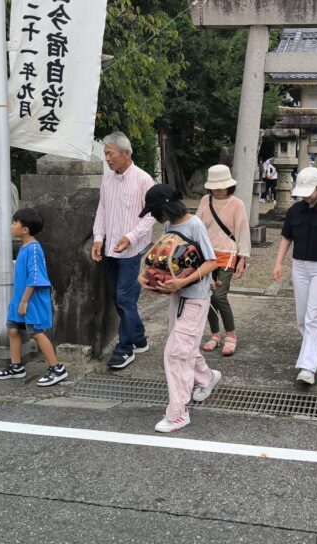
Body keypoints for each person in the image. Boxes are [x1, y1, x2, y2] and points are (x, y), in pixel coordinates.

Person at [138, 184, 222, 433]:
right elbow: (165, 261)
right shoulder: (170, 225)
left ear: (165, 207)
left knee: (176, 353)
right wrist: (145, 277)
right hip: (178, 297)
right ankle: (208, 378)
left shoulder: (194, 225)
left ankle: (178, 413)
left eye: (154, 211)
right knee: (184, 347)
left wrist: (182, 282)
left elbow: (211, 262)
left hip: (195, 298)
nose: (154, 216)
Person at [92, 131, 155, 370]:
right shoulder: (107, 178)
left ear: (125, 153)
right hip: (110, 248)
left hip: (134, 250)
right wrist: (99, 238)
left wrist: (130, 237)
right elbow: (102, 209)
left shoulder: (143, 179)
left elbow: (151, 216)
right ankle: (138, 338)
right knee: (118, 297)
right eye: (105, 154)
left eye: (110, 154)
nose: (107, 159)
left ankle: (125, 348)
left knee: (125, 298)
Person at [272, 166, 317, 386]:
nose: (305, 195)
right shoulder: (294, 210)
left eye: (309, 191)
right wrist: (278, 262)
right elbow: (286, 237)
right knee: (301, 317)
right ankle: (315, 350)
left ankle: (308, 367)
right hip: (299, 266)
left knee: (314, 316)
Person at [0, 208, 68, 386]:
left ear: (25, 229)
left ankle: (57, 368)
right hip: (20, 299)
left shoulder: (33, 249)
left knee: (37, 333)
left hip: (30, 300)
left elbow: (34, 277)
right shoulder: (24, 247)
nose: (12, 225)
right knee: (13, 330)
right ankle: (16, 366)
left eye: (15, 223)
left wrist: (25, 300)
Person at [195, 165, 250, 356]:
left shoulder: (237, 204)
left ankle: (231, 334)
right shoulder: (205, 200)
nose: (217, 190)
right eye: (214, 187)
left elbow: (242, 231)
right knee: (207, 295)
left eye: (221, 187)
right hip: (206, 254)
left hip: (228, 255)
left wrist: (242, 258)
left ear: (229, 185)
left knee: (219, 295)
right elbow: (197, 226)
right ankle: (215, 334)